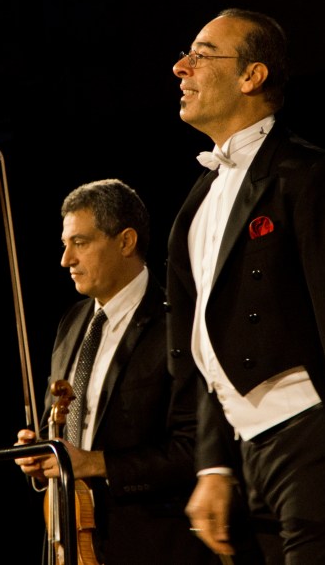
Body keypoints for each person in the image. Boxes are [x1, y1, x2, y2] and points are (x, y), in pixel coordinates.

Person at [165, 7, 325, 564]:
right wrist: (213, 465)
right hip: (246, 453)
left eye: (201, 55)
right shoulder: (198, 199)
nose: (180, 67)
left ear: (251, 76)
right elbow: (204, 346)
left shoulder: (312, 177)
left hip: (317, 443)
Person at [13, 178, 215, 565]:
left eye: (80, 243)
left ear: (125, 242)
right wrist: (41, 456)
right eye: (65, 244)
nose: (66, 260)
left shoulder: (177, 323)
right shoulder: (72, 323)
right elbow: (61, 427)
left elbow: (194, 448)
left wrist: (95, 462)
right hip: (72, 542)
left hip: (151, 545)